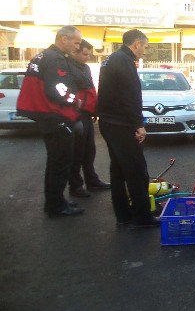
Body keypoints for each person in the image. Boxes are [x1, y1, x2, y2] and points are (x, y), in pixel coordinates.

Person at [16, 26, 85, 217]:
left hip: (47, 116)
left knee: (55, 162)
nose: (78, 47)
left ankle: (55, 201)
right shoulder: (56, 59)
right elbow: (58, 89)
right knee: (61, 162)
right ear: (64, 39)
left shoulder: (42, 56)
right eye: (76, 42)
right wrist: (74, 100)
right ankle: (56, 205)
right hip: (56, 117)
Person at [97, 29, 157, 228]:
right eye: (145, 47)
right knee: (137, 171)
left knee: (118, 170)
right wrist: (138, 125)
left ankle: (123, 215)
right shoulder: (123, 61)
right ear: (137, 43)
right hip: (121, 125)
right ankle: (143, 218)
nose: (144, 52)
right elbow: (130, 96)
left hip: (109, 122)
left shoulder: (112, 59)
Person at [68, 39, 110, 198]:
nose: (87, 57)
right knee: (76, 153)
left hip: (87, 114)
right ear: (75, 52)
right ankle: (76, 186)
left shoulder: (84, 68)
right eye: (85, 54)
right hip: (76, 115)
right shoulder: (68, 67)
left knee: (89, 151)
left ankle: (92, 181)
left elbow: (90, 90)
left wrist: (94, 110)